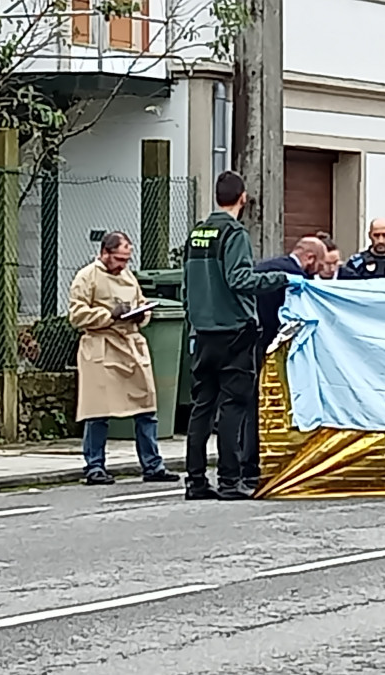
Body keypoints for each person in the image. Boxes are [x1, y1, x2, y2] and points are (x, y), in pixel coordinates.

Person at [182, 170, 301, 500]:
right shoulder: (234, 234)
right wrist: (282, 279)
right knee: (234, 405)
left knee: (202, 406)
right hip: (233, 331)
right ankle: (230, 480)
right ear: (243, 198)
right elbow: (240, 279)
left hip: (203, 331)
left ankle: (195, 481)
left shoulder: (197, 233)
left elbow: (186, 284)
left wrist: (193, 320)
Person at [68, 231, 180, 486]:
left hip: (129, 345)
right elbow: (76, 315)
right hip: (102, 346)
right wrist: (109, 314)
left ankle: (153, 465)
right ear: (105, 253)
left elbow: (141, 303)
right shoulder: (87, 277)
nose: (123, 265)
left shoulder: (128, 276)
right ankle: (94, 466)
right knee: (97, 411)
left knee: (146, 407)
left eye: (126, 259)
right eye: (119, 259)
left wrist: (142, 315)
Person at [240, 236, 327, 490]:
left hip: (246, 340)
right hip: (268, 345)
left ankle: (242, 465)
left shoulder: (264, 266)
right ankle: (253, 464)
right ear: (310, 258)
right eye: (319, 265)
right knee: (260, 406)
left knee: (244, 405)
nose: (317, 272)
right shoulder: (292, 277)